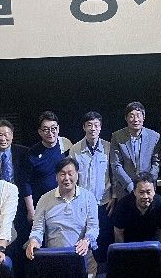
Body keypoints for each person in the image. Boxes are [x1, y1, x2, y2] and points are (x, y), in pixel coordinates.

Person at [26, 157, 99, 277]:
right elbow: (37, 229)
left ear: (77, 175)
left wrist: (86, 241)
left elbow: (93, 228)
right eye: (62, 174)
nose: (66, 178)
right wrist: (34, 241)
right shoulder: (44, 199)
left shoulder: (89, 197)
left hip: (83, 260)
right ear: (56, 177)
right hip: (54, 261)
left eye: (70, 173)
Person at [68, 111, 114, 262]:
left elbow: (114, 175)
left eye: (96, 125)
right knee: (84, 240)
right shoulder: (75, 149)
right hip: (83, 204)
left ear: (100, 127)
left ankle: (103, 270)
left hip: (104, 203)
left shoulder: (109, 147)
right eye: (89, 125)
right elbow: (71, 177)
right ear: (84, 127)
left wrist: (114, 196)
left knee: (104, 239)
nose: (93, 128)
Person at [0, 119, 30, 276]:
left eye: (6, 134)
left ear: (12, 136)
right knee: (1, 241)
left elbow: (27, 180)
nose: (3, 138)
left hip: (20, 205)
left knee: (21, 241)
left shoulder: (24, 152)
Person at [110, 101, 161, 200]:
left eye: (138, 115)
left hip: (147, 190)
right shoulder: (117, 136)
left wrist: (147, 184)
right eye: (131, 116)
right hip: (125, 189)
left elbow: (156, 162)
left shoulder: (154, 136)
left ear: (143, 117)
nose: (136, 119)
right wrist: (130, 186)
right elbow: (116, 164)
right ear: (126, 118)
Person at [24, 111, 70, 218]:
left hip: (65, 204)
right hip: (42, 206)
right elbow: (26, 183)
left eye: (53, 128)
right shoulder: (32, 153)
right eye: (46, 129)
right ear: (40, 132)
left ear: (58, 129)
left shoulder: (66, 145)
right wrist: (31, 210)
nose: (50, 132)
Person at [112, 172, 161, 247]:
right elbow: (118, 232)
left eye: (148, 192)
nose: (145, 196)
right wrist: (122, 252)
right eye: (141, 192)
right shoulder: (123, 205)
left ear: (154, 190)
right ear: (134, 191)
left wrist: (158, 251)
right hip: (129, 244)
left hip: (152, 244)